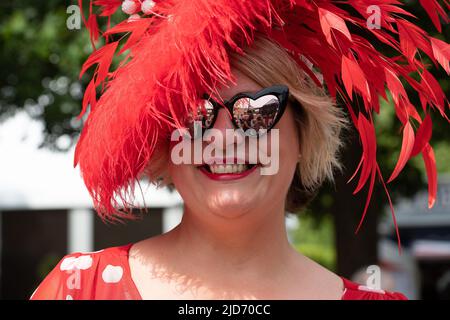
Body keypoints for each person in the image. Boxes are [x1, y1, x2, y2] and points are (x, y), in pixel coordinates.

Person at [31, 0, 448, 300]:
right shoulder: (78, 289)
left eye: (258, 112)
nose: (223, 136)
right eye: (195, 115)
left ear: (303, 135)